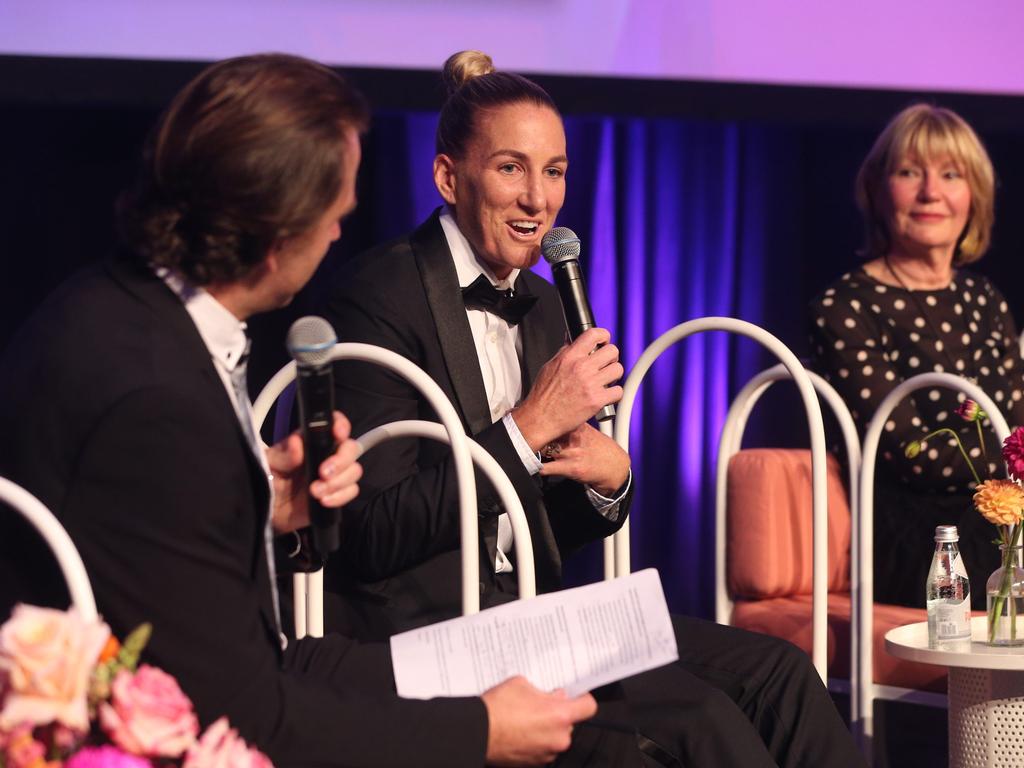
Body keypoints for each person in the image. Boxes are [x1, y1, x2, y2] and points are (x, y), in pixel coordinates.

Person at [0, 53, 620, 768]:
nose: (337, 233)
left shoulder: (116, 307)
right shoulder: (155, 397)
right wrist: (478, 732)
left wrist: (263, 504)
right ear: (275, 232)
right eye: (332, 216)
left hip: (250, 668)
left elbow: (151, 553)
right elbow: (249, 713)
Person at [322, 50, 865, 768]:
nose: (538, 200)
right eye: (511, 168)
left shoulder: (544, 298)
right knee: (699, 720)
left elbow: (548, 526)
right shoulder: (379, 295)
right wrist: (525, 431)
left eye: (554, 171)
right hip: (432, 635)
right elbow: (373, 534)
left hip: (536, 618)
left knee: (783, 676)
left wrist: (608, 484)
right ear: (449, 176)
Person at [809, 103, 1024, 609]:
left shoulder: (984, 298)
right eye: (910, 173)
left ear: (975, 195)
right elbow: (918, 457)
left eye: (951, 175)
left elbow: (1012, 428)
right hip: (919, 538)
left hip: (1003, 516)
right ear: (878, 190)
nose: (931, 193)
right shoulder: (845, 305)